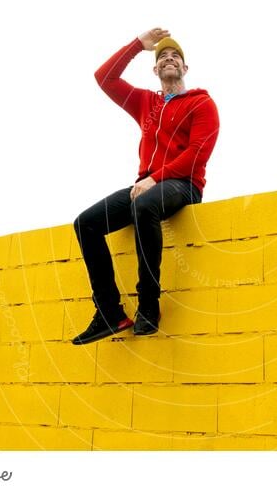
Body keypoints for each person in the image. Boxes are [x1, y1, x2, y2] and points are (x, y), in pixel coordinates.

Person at [71, 27, 220, 344]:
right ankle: (109, 312)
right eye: (163, 56)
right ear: (155, 70)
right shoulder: (145, 103)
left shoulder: (202, 104)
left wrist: (155, 178)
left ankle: (148, 305)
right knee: (86, 224)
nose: (169, 58)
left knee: (144, 204)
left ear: (185, 68)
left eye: (175, 56)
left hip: (182, 184)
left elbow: (197, 154)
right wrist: (138, 45)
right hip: (146, 186)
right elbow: (104, 78)